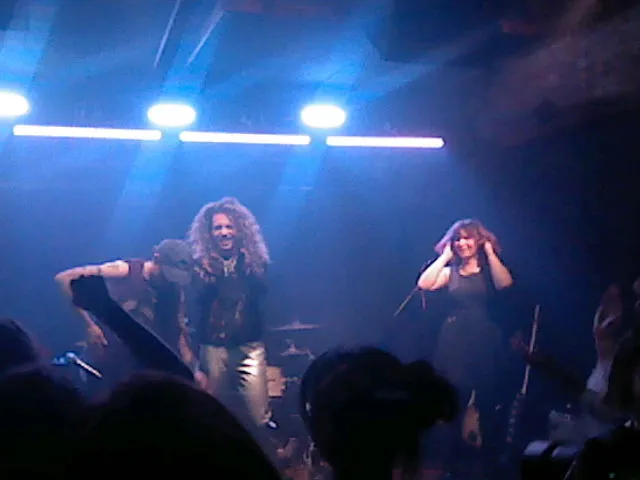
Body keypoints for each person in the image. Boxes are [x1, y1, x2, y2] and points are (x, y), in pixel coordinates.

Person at [417, 218, 513, 478]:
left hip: (485, 341)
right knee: (453, 404)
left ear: (478, 240)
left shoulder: (490, 271)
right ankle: (451, 466)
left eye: (467, 237)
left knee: (487, 403)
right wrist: (445, 257)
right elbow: (424, 284)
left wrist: (490, 252)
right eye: (457, 238)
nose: (462, 243)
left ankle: (487, 465)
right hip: (454, 343)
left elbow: (505, 284)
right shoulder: (452, 273)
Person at [54, 239, 195, 392]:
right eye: (165, 274)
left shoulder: (173, 291)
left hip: (141, 372)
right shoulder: (125, 271)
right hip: (107, 364)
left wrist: (192, 369)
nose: (168, 281)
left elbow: (179, 333)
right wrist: (88, 326)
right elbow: (65, 279)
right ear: (156, 258)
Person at [187, 197, 271, 427]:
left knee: (259, 415)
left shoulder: (253, 262)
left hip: (249, 347)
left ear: (240, 230)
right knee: (212, 410)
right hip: (214, 347)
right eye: (218, 228)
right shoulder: (199, 266)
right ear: (209, 233)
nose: (224, 233)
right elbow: (195, 304)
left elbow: (262, 293)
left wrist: (244, 263)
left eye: (229, 227)